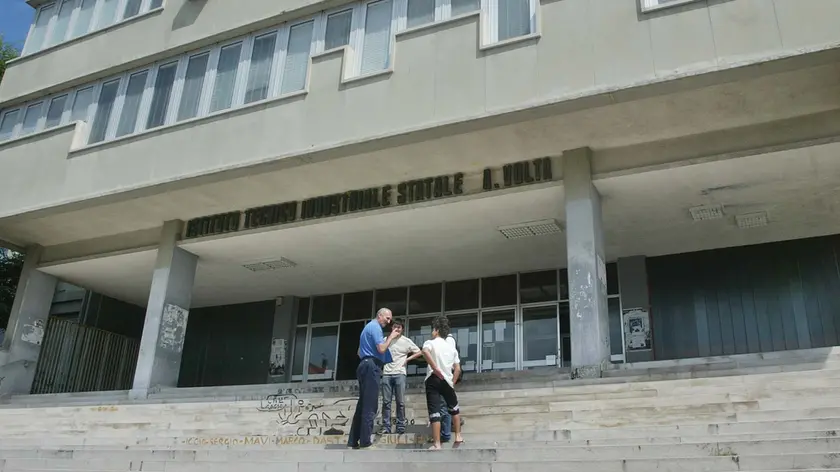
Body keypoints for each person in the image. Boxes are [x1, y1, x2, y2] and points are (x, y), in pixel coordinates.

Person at [347, 308, 401, 449]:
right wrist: (390, 337)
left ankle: (353, 440)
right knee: (370, 405)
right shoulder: (376, 328)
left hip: (364, 364)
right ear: (380, 315)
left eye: (390, 319)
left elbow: (359, 352)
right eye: (387, 318)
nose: (388, 321)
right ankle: (365, 441)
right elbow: (381, 349)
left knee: (362, 405)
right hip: (371, 366)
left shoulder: (367, 328)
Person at [421, 315, 464, 450]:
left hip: (433, 379)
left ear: (436, 330)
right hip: (447, 380)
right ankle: (458, 436)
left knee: (435, 412)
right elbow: (457, 368)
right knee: (454, 409)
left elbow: (424, 351)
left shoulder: (430, 343)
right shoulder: (451, 348)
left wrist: (434, 367)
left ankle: (437, 444)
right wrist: (452, 381)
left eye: (433, 329)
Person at [381, 319, 422, 434]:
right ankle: (386, 427)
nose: (397, 329)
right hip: (387, 373)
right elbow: (379, 350)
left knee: (400, 401)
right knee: (386, 402)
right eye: (395, 327)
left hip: (400, 373)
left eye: (399, 327)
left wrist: (408, 359)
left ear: (402, 329)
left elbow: (419, 352)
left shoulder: (406, 341)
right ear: (391, 328)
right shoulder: (386, 340)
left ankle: (400, 426)